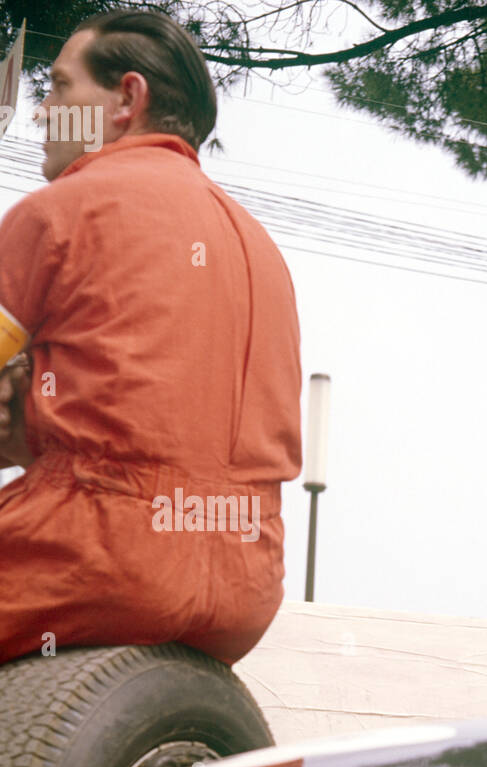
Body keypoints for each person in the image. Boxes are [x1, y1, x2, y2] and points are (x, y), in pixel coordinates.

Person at [0, 9, 301, 666]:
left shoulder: (60, 211)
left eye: (59, 89)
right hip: (246, 584)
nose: (42, 113)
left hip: (92, 554)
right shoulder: (262, 248)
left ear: (126, 99)